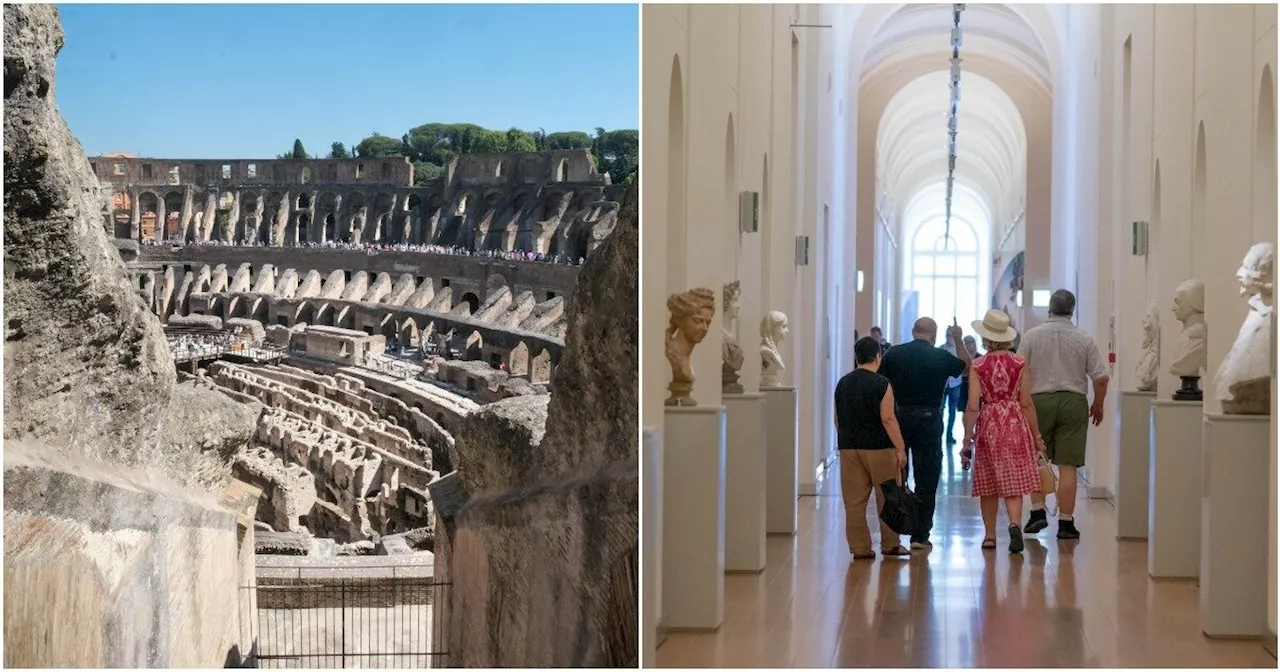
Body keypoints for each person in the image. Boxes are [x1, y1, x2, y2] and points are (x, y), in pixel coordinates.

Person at [1016, 289, 1110, 539]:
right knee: (1068, 465)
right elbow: (1101, 378)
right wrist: (1098, 404)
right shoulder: (1084, 338)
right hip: (1073, 400)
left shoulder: (1031, 336)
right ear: (1072, 310)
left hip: (1038, 401)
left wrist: (1021, 404)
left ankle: (1037, 512)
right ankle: (1067, 524)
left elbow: (1019, 373)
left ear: (1050, 308)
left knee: (1037, 458)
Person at [879, 317, 974, 550]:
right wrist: (959, 339)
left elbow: (881, 383)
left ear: (913, 332)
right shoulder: (941, 357)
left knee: (899, 475)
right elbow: (968, 367)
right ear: (934, 335)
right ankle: (920, 535)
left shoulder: (894, 354)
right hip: (930, 420)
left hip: (899, 418)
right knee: (927, 477)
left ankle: (896, 529)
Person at [961, 309, 1043, 554]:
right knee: (1013, 483)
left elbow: (973, 405)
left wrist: (967, 438)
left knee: (989, 484)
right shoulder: (1019, 362)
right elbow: (1027, 402)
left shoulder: (978, 365)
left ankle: (989, 536)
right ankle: (1015, 524)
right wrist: (1037, 436)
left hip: (990, 424)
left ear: (985, 337)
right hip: (1016, 421)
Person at [834, 336, 910, 560]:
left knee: (854, 502)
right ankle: (891, 544)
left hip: (849, 448)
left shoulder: (843, 383)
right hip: (880, 449)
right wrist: (900, 448)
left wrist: (847, 438)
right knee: (887, 497)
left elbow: (837, 420)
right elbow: (888, 418)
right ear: (879, 356)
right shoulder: (882, 384)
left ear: (856, 357)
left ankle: (860, 548)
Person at [941, 330, 964, 446]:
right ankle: (939, 434)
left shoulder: (959, 350)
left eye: (951, 335)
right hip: (943, 384)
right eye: (947, 335)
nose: (949, 338)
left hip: (955, 383)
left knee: (952, 411)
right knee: (940, 410)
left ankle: (949, 435)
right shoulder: (941, 349)